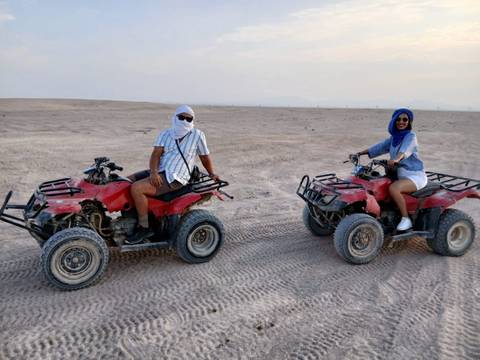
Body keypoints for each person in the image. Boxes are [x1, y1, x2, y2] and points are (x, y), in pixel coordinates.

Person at [127, 105, 220, 244]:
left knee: (137, 188)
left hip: (177, 177)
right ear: (175, 117)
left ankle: (144, 227)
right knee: (125, 182)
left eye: (189, 119)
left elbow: (204, 157)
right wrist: (153, 172)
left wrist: (212, 174)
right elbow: (156, 155)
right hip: (161, 171)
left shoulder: (198, 135)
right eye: (181, 117)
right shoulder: (166, 134)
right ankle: (131, 218)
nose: (184, 121)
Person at [351, 108, 427, 231]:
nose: (401, 122)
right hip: (399, 174)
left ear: (409, 122)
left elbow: (405, 150)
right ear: (393, 121)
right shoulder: (393, 138)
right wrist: (359, 153)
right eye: (398, 119)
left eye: (405, 119)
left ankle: (406, 219)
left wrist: (396, 159)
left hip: (415, 176)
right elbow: (378, 148)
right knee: (376, 184)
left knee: (394, 188)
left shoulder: (411, 136)